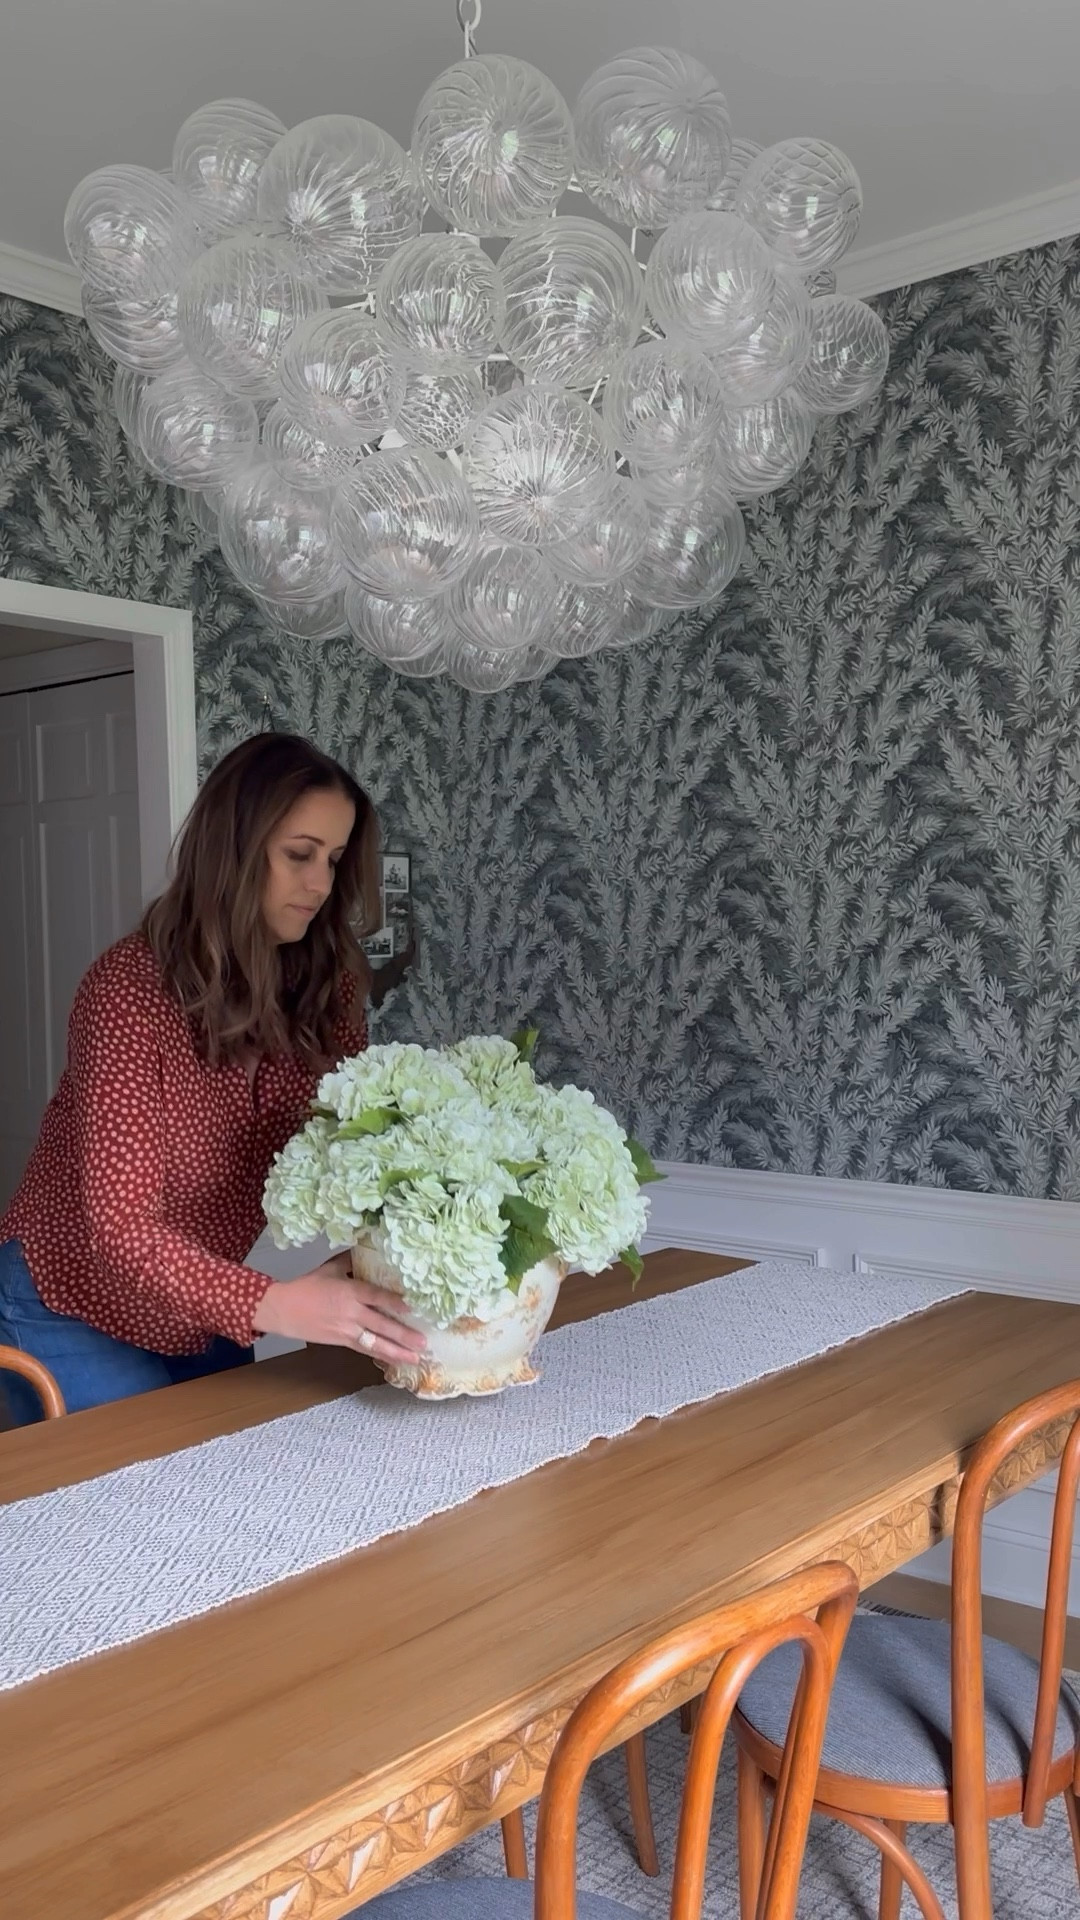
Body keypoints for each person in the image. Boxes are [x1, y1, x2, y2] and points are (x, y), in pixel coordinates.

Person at [0, 733, 426, 1426]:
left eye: (334, 859)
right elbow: (122, 1228)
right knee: (133, 1510)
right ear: (233, 846)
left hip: (200, 1306)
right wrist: (279, 1305)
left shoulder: (332, 989)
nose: (319, 884)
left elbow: (353, 1141)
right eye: (298, 854)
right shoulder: (128, 992)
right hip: (67, 1302)